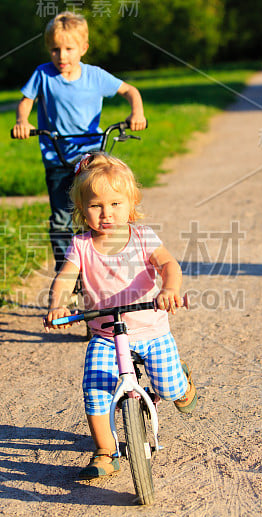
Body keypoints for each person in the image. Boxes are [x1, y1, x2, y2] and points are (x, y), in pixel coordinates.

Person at [44, 153, 197, 480]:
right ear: (82, 209)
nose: (106, 213)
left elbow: (169, 265)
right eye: (96, 205)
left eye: (115, 204)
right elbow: (65, 278)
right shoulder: (81, 245)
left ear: (131, 203)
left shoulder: (142, 237)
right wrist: (57, 303)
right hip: (105, 334)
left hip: (151, 329)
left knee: (169, 388)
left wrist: (169, 289)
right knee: (96, 388)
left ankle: (181, 385)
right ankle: (104, 450)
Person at [12, 11, 146, 275]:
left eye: (69, 49)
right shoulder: (43, 75)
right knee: (61, 219)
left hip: (90, 156)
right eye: (55, 49)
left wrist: (136, 113)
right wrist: (22, 121)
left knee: (97, 210)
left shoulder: (95, 76)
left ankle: (103, 263)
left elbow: (131, 91)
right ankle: (67, 272)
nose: (62, 56)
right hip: (57, 155)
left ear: (83, 48)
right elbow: (26, 100)